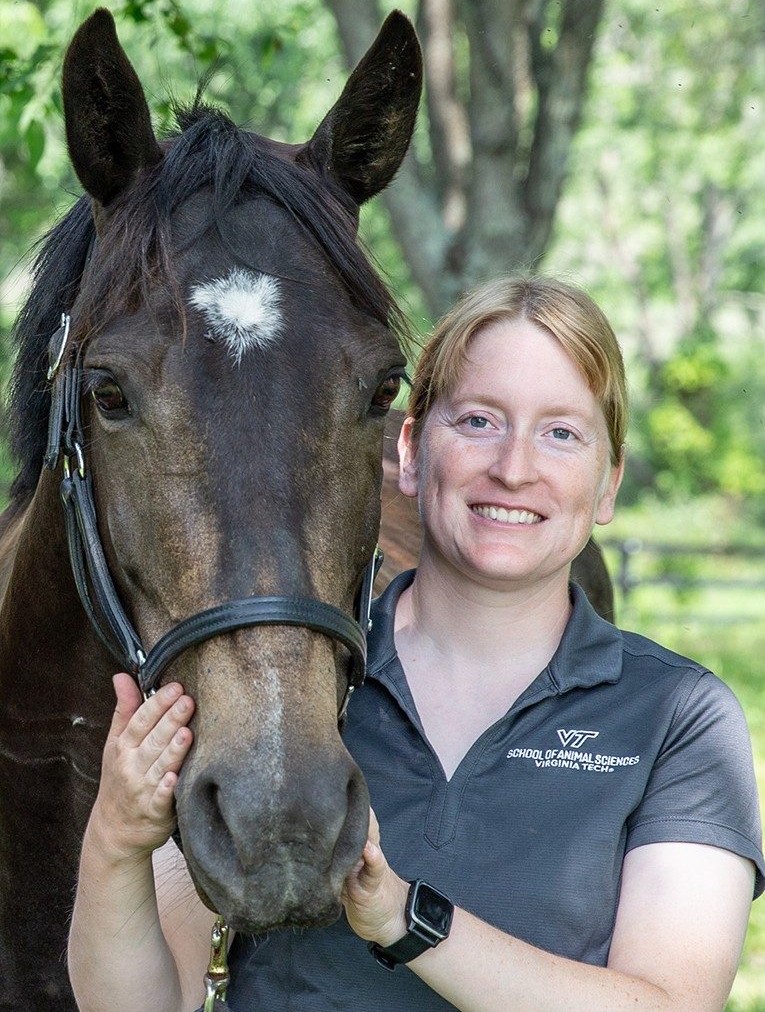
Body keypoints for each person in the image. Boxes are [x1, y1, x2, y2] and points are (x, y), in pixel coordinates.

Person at [68, 275, 764, 1012]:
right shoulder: (278, 676)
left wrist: (408, 920)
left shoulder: (676, 715)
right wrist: (115, 841)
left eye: (561, 432)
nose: (514, 467)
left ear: (607, 483)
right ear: (408, 448)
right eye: (476, 421)